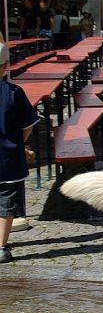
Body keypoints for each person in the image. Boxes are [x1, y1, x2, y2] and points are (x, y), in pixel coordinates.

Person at [0, 43, 39, 263]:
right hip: (8, 159)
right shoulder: (14, 92)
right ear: (5, 66)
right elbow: (28, 125)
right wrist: (18, 143)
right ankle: (1, 246)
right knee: (6, 204)